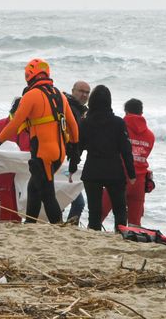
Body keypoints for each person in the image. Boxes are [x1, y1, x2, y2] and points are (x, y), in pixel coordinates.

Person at [0, 58, 79, 224]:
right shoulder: (59, 95)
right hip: (59, 153)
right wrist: (75, 149)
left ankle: (58, 226)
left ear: (29, 75)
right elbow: (73, 125)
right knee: (33, 188)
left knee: (47, 193)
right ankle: (30, 224)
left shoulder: (31, 95)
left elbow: (14, 124)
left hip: (44, 154)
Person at [69, 85, 136, 231]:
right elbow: (126, 150)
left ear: (92, 101)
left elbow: (78, 149)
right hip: (114, 171)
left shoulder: (85, 122)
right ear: (109, 101)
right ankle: (120, 235)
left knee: (94, 211)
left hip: (92, 171)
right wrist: (131, 174)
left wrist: (72, 168)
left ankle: (94, 236)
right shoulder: (118, 123)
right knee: (119, 209)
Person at [101, 98, 155, 226]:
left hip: (118, 177)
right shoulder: (150, 136)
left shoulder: (118, 128)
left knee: (99, 213)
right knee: (134, 223)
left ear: (126, 112)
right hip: (139, 181)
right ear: (142, 113)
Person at [0, 97, 30, 222]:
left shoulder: (29, 127)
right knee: (6, 210)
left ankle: (13, 239)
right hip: (1, 176)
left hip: (21, 178)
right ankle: (1, 236)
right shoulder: (0, 125)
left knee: (18, 213)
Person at [63, 80, 90, 224]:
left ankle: (65, 227)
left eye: (87, 93)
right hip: (62, 161)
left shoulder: (81, 110)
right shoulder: (68, 107)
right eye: (81, 91)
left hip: (70, 163)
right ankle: (61, 226)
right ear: (73, 91)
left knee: (74, 200)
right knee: (77, 202)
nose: (84, 95)